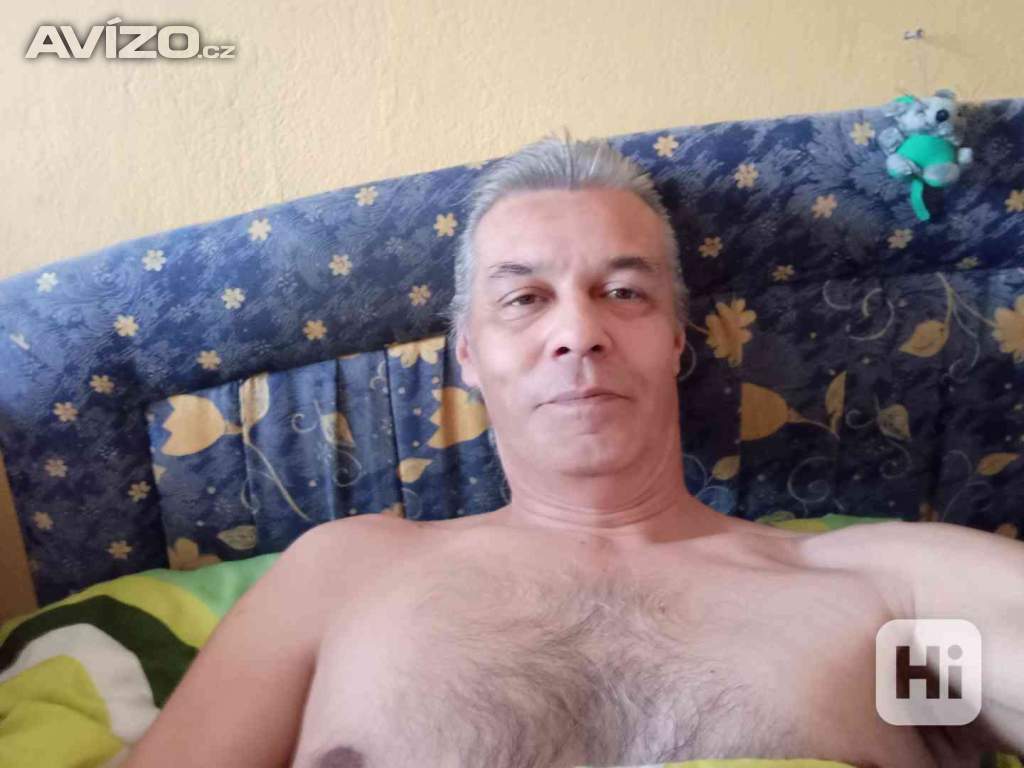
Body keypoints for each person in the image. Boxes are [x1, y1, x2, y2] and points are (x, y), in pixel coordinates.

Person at [124, 134, 1024, 768]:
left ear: (677, 341)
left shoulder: (886, 595)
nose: (578, 333)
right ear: (467, 355)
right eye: (523, 300)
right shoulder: (344, 576)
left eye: (624, 293)